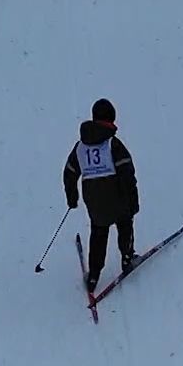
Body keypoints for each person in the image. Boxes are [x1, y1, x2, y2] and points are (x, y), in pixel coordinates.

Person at [63, 98, 139, 292]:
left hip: (95, 203)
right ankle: (127, 257)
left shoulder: (80, 147)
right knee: (125, 223)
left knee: (98, 232)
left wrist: (72, 197)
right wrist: (133, 200)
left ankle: (94, 275)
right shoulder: (113, 144)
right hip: (118, 199)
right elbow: (127, 173)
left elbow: (69, 172)